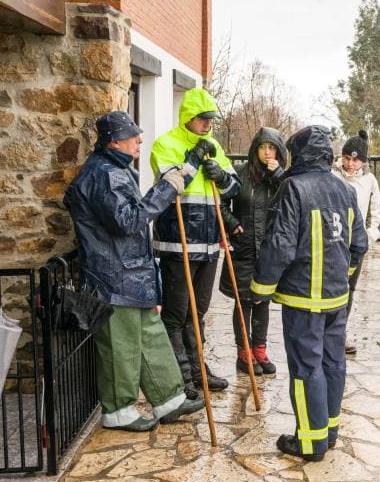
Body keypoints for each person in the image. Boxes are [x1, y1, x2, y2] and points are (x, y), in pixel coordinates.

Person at [63, 111, 205, 431]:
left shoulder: (114, 168)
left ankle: (169, 398)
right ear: (114, 140)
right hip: (113, 275)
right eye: (133, 136)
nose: (140, 140)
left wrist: (180, 175)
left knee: (150, 336)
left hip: (130, 272)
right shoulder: (105, 173)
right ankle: (119, 411)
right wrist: (166, 189)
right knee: (121, 345)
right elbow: (127, 221)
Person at [250, 125, 368, 461]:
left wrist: (261, 288)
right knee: (333, 364)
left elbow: (279, 246)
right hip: (336, 299)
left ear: (298, 154)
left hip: (303, 300)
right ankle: (329, 432)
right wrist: (340, 277)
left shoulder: (292, 188)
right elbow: (359, 245)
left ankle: (310, 442)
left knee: (306, 369)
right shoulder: (344, 189)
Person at [150, 88, 240, 398]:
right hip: (179, 243)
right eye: (203, 120)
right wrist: (193, 159)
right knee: (176, 313)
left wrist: (220, 174)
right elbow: (169, 187)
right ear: (189, 117)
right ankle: (180, 376)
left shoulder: (213, 144)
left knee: (197, 311)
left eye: (211, 120)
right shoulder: (165, 144)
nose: (208, 125)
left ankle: (198, 369)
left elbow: (233, 188)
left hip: (209, 244)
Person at [220, 127, 288, 376]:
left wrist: (278, 175)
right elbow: (222, 201)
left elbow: (292, 198)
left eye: (271, 148)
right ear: (255, 149)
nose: (267, 152)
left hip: (268, 249)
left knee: (263, 301)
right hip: (243, 246)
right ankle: (243, 353)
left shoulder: (280, 179)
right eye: (263, 147)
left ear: (278, 152)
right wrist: (232, 224)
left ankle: (260, 350)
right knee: (243, 302)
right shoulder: (240, 173)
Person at [331, 129, 380, 354]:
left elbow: (377, 208)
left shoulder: (369, 180)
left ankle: (339, 333)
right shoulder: (332, 175)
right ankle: (327, 331)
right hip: (333, 240)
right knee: (332, 286)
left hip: (356, 243)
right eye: (347, 158)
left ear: (363, 161)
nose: (350, 164)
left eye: (356, 160)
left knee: (349, 288)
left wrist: (371, 233)